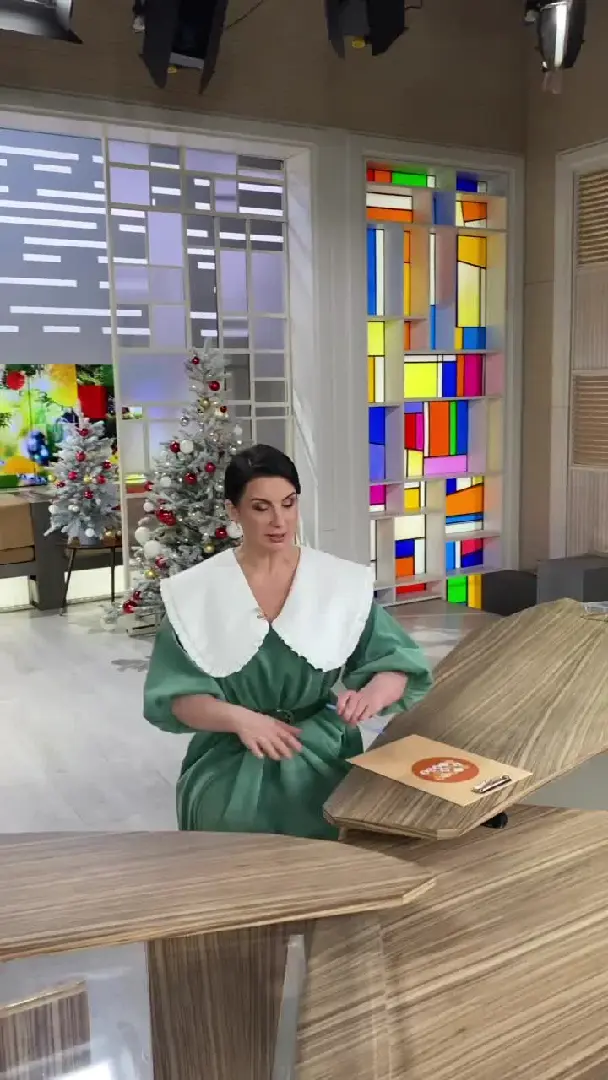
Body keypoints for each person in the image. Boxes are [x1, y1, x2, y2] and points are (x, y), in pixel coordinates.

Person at [144, 444, 432, 839]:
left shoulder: (336, 582)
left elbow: (397, 664)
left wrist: (372, 695)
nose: (279, 521)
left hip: (324, 750)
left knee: (344, 832)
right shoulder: (196, 592)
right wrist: (239, 719)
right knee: (226, 832)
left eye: (288, 503)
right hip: (231, 755)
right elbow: (177, 696)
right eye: (261, 507)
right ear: (233, 511)